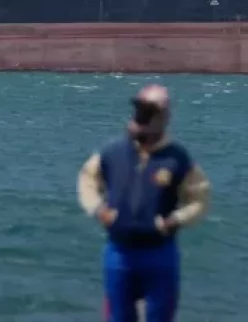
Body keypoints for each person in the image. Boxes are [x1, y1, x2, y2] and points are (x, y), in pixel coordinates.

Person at [76, 83, 212, 322]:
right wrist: (99, 209)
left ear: (164, 118)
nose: (140, 119)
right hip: (119, 254)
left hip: (159, 256)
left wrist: (174, 220)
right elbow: (87, 180)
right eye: (138, 111)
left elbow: (200, 198)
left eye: (148, 113)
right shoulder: (112, 152)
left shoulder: (177, 159)